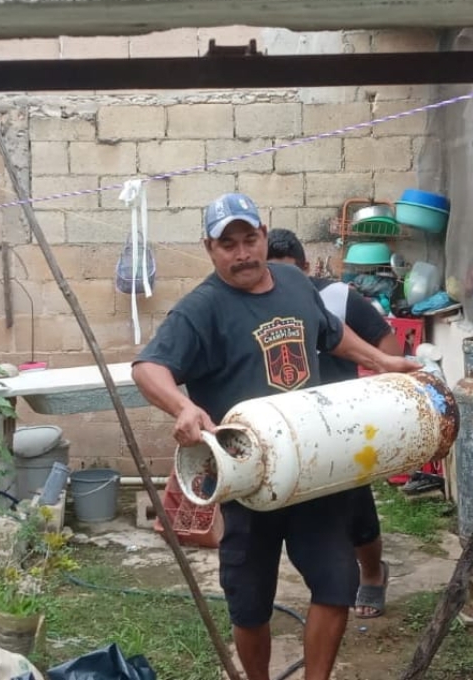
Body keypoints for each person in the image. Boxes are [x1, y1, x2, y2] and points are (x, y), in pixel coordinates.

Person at [131, 193, 421, 680]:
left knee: (335, 583)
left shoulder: (291, 279)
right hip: (246, 474)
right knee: (250, 604)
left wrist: (384, 361)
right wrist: (182, 406)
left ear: (264, 236)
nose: (242, 253)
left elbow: (329, 332)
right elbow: (147, 368)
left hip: (313, 464)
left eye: (249, 239)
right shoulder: (200, 310)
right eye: (229, 244)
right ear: (210, 248)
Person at [265, 228, 399, 620]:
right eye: (273, 272)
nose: (281, 281)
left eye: (290, 272)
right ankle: (326, 587)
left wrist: (376, 399)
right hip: (292, 427)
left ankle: (372, 575)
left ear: (306, 268)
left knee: (356, 507)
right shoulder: (260, 303)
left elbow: (386, 344)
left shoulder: (339, 298)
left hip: (343, 425)